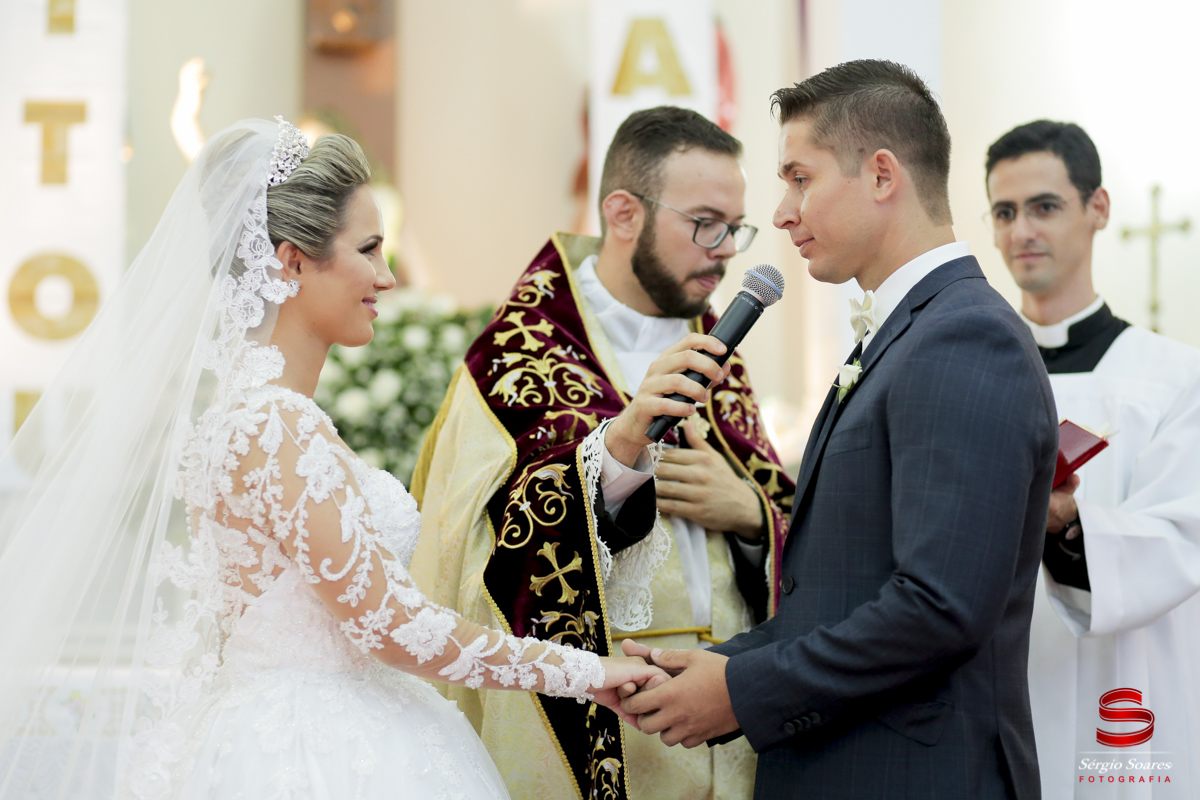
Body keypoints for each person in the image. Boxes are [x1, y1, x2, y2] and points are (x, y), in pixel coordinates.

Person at [0, 118, 667, 800]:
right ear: (291, 261)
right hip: (310, 754)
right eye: (370, 249)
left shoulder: (264, 416)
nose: (388, 275)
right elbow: (392, 625)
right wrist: (586, 674)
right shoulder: (274, 426)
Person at [619, 60, 1059, 799]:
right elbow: (845, 590)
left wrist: (743, 690)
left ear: (882, 174)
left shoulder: (963, 339)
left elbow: (939, 608)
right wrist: (722, 666)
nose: (784, 213)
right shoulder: (905, 335)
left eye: (800, 178)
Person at [410, 106, 794, 800]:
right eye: (706, 222)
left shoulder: (722, 357)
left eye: (735, 227)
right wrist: (618, 455)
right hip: (606, 716)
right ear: (623, 213)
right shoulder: (514, 356)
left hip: (730, 722)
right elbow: (475, 547)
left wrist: (749, 515)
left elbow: (781, 510)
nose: (727, 249)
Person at [985, 120, 1200, 797]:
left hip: (1126, 687)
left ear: (1097, 208)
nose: (1023, 231)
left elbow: (1180, 540)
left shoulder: (1174, 378)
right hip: (995, 692)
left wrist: (1073, 526)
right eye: (1005, 212)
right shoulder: (972, 379)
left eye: (1045, 207)